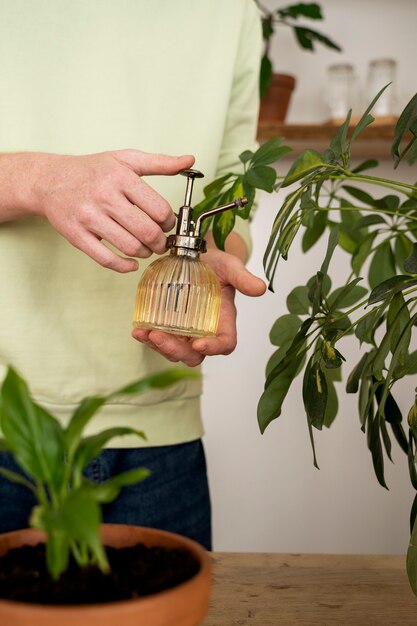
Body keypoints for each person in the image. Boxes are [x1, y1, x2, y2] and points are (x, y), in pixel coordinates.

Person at [0, 0, 265, 549]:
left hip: (159, 432)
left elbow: (238, 190)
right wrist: (39, 179)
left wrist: (218, 254)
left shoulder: (231, 10)